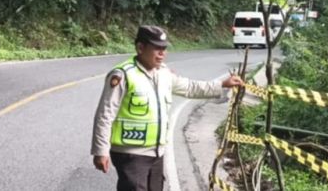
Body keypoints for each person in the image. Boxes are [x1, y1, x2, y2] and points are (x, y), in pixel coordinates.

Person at [91, 25, 244, 191]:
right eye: (157, 48)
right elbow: (105, 114)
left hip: (157, 152)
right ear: (140, 48)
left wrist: (222, 84)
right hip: (130, 153)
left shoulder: (163, 73)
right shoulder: (123, 75)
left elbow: (190, 87)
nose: (162, 53)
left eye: (164, 48)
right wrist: (101, 151)